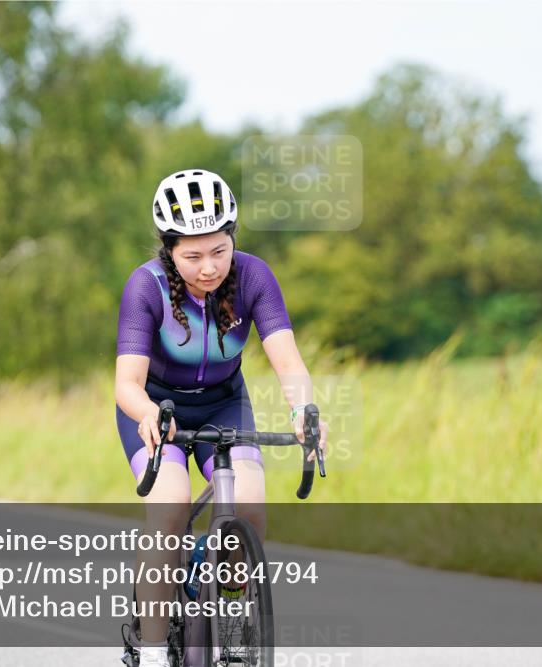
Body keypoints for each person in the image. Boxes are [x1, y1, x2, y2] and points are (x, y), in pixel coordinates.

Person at [114, 169, 328, 666]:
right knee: (170, 507)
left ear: (233, 239)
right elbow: (126, 383)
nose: (208, 267)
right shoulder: (144, 288)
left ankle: (225, 609)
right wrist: (148, 413)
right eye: (192, 255)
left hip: (224, 402)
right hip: (155, 407)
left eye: (219, 250)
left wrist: (303, 410)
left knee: (249, 505)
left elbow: (288, 361)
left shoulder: (255, 276)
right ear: (169, 249)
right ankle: (150, 651)